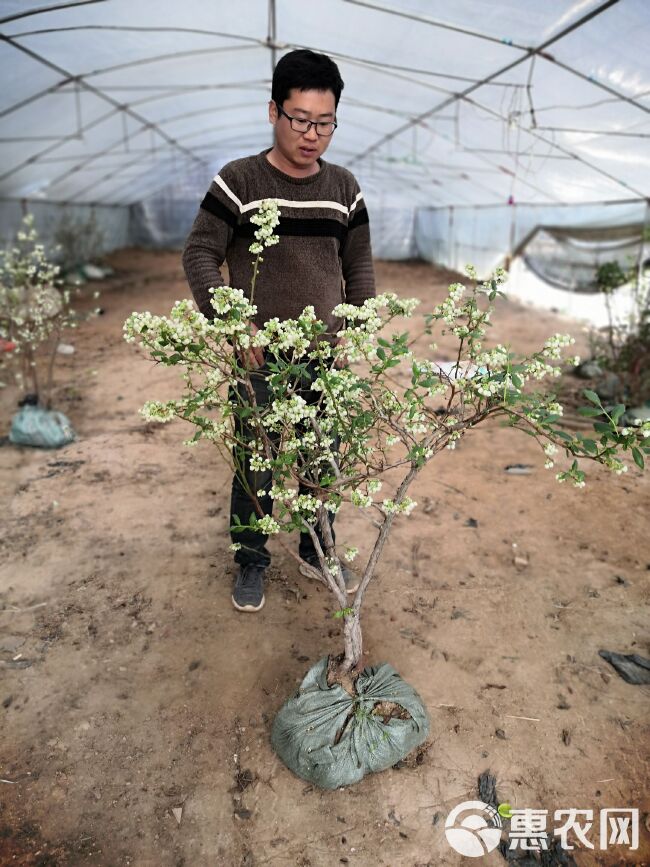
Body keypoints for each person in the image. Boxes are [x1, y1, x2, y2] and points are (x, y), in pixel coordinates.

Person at [182, 49, 376, 613]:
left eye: (325, 122)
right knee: (256, 459)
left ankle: (316, 549)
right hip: (258, 358)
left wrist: (356, 334)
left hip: (324, 352)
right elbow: (199, 253)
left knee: (323, 455)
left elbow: (357, 268)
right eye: (300, 119)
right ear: (273, 111)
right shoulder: (239, 180)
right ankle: (251, 559)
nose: (312, 134)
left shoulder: (344, 187)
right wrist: (233, 323)